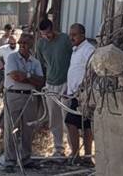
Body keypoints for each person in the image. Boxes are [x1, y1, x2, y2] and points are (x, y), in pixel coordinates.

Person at [2, 33, 45, 171]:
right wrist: (31, 77)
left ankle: (26, 158)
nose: (22, 46)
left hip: (30, 97)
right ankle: (9, 161)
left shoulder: (36, 62)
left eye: (25, 43)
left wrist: (25, 75)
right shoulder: (12, 57)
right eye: (20, 43)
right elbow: (15, 76)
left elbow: (40, 82)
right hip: (13, 95)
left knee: (28, 129)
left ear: (31, 45)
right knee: (11, 128)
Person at [35, 19, 75, 157]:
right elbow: (41, 64)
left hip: (66, 83)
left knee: (68, 119)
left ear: (53, 29)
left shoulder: (65, 39)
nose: (47, 37)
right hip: (50, 84)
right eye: (44, 35)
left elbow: (74, 58)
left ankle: (73, 149)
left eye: (49, 33)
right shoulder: (41, 44)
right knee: (54, 118)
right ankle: (58, 149)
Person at [65, 23, 96, 167]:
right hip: (74, 94)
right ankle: (79, 155)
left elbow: (93, 70)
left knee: (78, 123)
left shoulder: (88, 49)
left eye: (74, 35)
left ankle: (84, 156)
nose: (71, 37)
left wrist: (84, 88)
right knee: (79, 124)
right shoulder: (76, 50)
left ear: (82, 35)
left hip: (84, 95)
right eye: (70, 34)